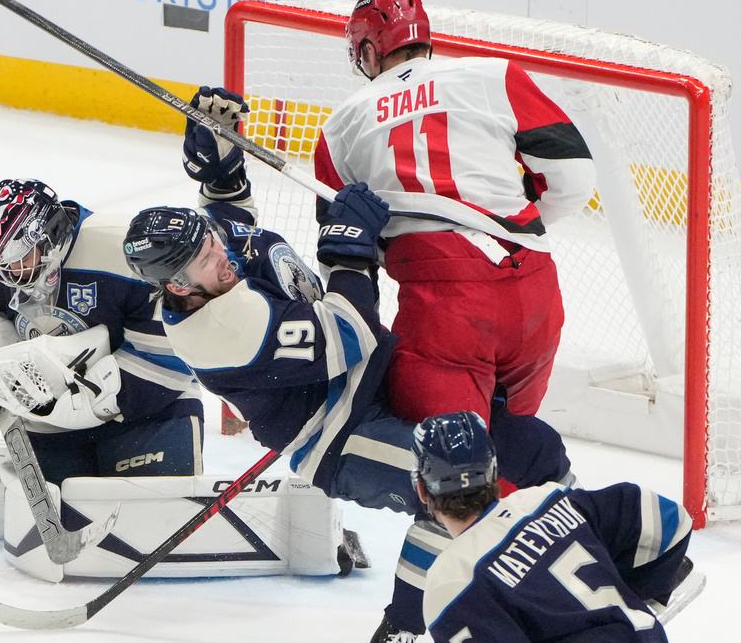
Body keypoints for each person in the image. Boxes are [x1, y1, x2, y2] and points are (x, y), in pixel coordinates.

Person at [122, 87, 575, 642]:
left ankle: (582, 568)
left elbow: (227, 213)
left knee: (538, 449)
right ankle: (403, 631)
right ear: (176, 286)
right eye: (202, 258)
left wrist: (222, 162)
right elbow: (350, 334)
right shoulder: (221, 330)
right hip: (339, 436)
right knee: (450, 490)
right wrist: (346, 252)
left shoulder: (212, 254)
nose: (219, 253)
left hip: (378, 385)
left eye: (210, 241)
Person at [314, 0, 597, 425]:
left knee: (452, 475)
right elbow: (576, 179)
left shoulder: (340, 128)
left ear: (368, 52)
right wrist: (517, 225)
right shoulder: (495, 75)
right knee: (515, 449)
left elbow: (342, 254)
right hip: (534, 289)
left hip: (442, 308)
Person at [0, 178, 204, 498]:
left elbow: (169, 351)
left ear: (52, 235)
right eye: (3, 264)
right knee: (63, 515)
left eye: (21, 259)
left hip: (148, 411)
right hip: (49, 412)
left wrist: (88, 402)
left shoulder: (120, 250)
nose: (11, 274)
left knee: (151, 514)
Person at [411, 411, 700, 642]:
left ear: (422, 491)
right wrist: (632, 597)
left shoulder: (450, 582)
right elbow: (670, 519)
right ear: (495, 472)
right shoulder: (547, 498)